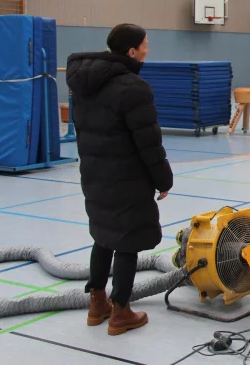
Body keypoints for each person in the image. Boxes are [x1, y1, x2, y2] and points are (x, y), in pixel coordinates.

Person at [66, 23, 173, 335]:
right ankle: (121, 311)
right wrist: (163, 179)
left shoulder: (82, 85)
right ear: (131, 51)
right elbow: (148, 143)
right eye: (145, 45)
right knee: (127, 242)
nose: (147, 50)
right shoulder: (133, 88)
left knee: (103, 236)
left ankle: (97, 304)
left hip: (94, 174)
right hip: (128, 178)